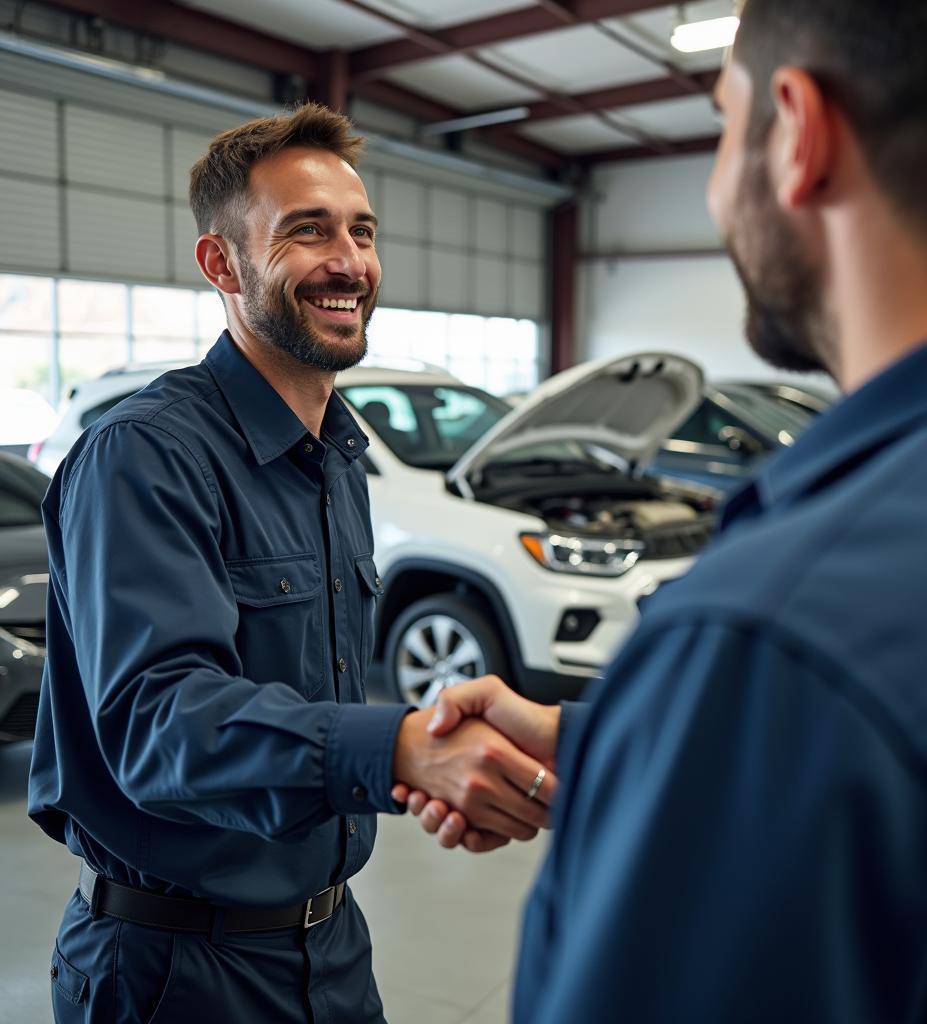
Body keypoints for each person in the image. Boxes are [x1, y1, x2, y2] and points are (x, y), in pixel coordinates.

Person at [397, 1, 927, 1020]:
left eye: (723, 122)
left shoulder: (781, 631)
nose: (714, 181)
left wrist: (701, 716)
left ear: (799, 133)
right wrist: (611, 737)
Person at [28, 105, 555, 1024]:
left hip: (330, 947)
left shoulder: (338, 459)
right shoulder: (145, 456)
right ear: (221, 265)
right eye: (307, 231)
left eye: (361, 231)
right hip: (171, 973)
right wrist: (400, 748)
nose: (350, 261)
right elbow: (162, 722)